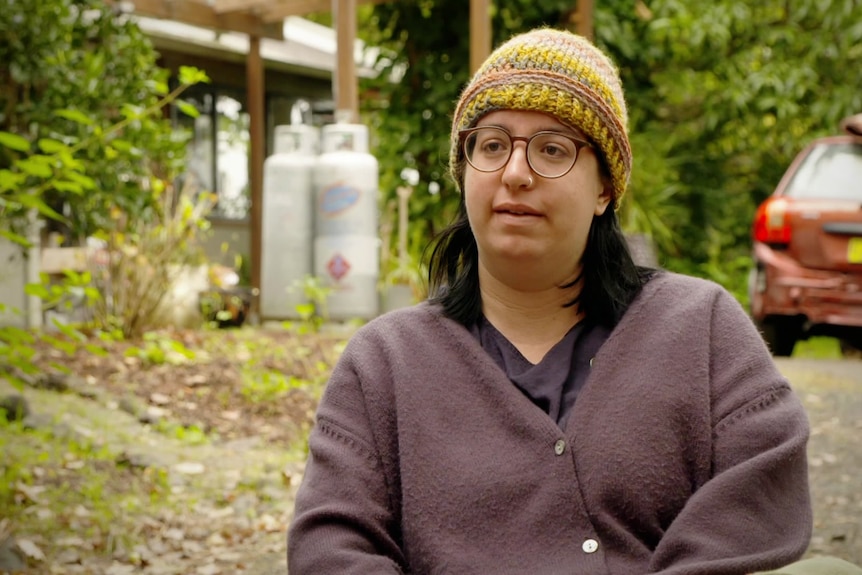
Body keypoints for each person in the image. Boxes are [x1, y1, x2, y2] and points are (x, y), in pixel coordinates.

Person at [288, 27, 813, 574]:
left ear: (605, 189)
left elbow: (764, 475)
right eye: (491, 146)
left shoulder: (699, 326)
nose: (515, 174)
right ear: (464, 171)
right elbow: (331, 545)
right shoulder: (384, 363)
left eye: (552, 149)